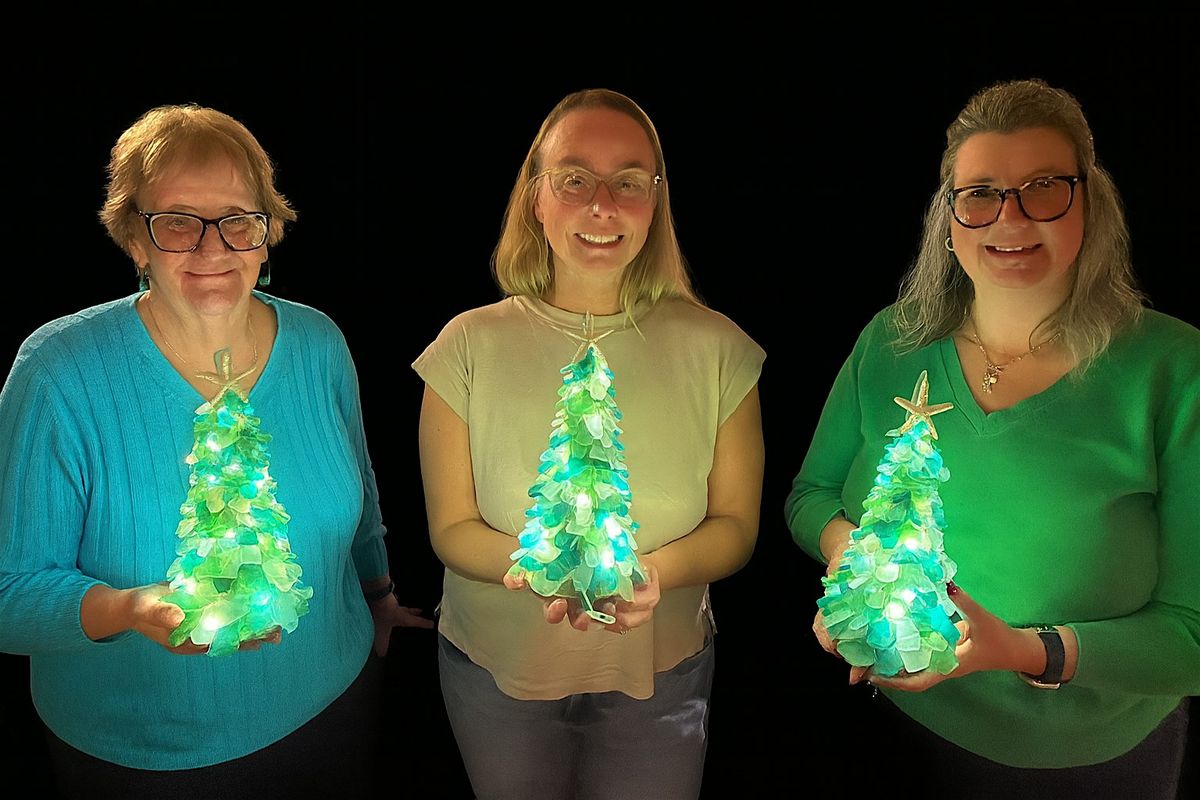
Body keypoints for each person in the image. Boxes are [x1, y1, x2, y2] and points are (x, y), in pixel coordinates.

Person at [0, 104, 431, 797]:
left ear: (266, 234)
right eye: (176, 222)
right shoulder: (59, 373)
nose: (213, 248)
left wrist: (378, 595)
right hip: (149, 759)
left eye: (237, 220)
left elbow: (360, 485)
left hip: (339, 704)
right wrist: (130, 609)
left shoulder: (319, 343)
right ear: (134, 239)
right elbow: (9, 595)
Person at [787, 78, 1197, 798]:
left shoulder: (1174, 370)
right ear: (948, 218)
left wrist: (1023, 651)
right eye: (979, 194)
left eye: (1043, 188)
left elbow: (1191, 636)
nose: (1009, 218)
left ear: (1090, 203)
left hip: (1095, 762)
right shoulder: (891, 341)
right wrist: (861, 563)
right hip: (903, 735)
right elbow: (812, 496)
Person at [414, 88, 764, 799]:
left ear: (655, 201)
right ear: (536, 198)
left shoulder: (719, 350)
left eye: (629, 182)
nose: (602, 204)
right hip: (495, 672)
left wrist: (650, 573)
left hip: (662, 674)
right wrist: (542, 568)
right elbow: (451, 529)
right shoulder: (467, 345)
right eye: (574, 178)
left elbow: (735, 527)